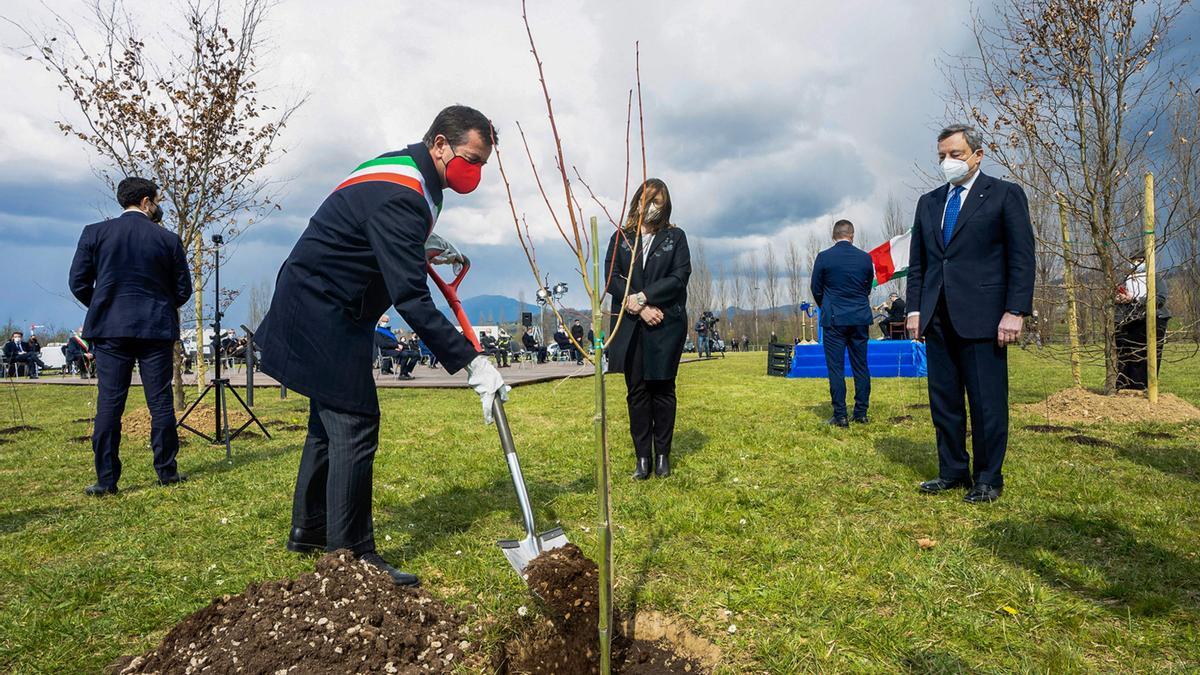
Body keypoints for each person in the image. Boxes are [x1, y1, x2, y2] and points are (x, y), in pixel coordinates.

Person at [254, 105, 508, 586]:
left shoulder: (409, 174)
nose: (474, 172)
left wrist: (422, 244)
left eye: (482, 164)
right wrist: (470, 361)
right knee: (354, 420)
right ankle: (351, 555)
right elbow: (410, 297)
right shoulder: (403, 192)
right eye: (469, 159)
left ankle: (309, 529)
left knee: (328, 423)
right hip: (321, 308)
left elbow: (368, 232)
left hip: (326, 303)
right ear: (439, 144)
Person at [905, 124, 1035, 504]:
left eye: (955, 154)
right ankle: (952, 470)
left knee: (986, 401)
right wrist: (915, 309)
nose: (947, 162)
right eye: (942, 156)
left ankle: (988, 478)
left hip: (984, 316)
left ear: (978, 155)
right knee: (943, 400)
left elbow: (1022, 258)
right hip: (937, 315)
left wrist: (1015, 310)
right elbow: (920, 263)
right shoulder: (928, 203)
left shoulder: (1004, 195)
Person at [68, 176, 193, 496]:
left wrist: (103, 304)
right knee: (160, 401)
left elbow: (78, 281)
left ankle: (106, 479)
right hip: (155, 329)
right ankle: (166, 471)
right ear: (147, 202)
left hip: (110, 331)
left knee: (109, 403)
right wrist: (161, 305)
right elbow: (183, 290)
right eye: (157, 200)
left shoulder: (94, 233)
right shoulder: (168, 239)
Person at [604, 178, 691, 480]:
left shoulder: (674, 237)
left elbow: (679, 276)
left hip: (666, 323)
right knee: (637, 391)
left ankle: (663, 455)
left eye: (658, 202)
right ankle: (643, 458)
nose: (652, 206)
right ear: (637, 201)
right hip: (631, 325)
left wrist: (646, 297)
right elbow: (612, 278)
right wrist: (637, 306)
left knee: (663, 388)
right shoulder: (622, 238)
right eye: (648, 200)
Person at [810, 219, 874, 426]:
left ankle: (840, 415)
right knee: (861, 366)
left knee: (836, 368)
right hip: (859, 318)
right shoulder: (865, 259)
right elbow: (867, 287)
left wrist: (826, 305)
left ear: (833, 235)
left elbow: (816, 288)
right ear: (852, 235)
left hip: (834, 319)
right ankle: (861, 412)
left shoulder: (824, 257)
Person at [1115, 254, 1169, 390]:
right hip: (1130, 321)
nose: (1135, 263)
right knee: (1128, 355)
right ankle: (1125, 387)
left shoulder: (1155, 277)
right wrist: (1119, 299)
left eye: (1139, 261)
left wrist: (1137, 299)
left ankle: (1144, 387)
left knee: (1147, 356)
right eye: (1132, 260)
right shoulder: (1126, 280)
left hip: (1152, 320)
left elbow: (1160, 299)